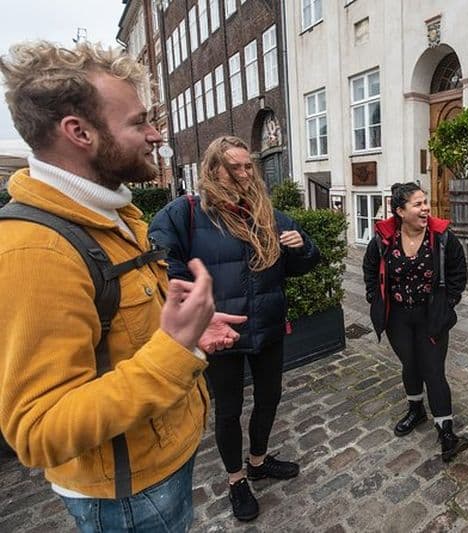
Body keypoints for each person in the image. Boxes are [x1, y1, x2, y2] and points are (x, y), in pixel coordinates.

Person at [0, 41, 242, 532]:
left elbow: (113, 339)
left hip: (157, 463)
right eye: (137, 122)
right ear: (79, 132)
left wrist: (186, 331)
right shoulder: (33, 250)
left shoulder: (109, 212)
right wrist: (176, 347)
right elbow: (38, 430)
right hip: (126, 496)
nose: (155, 135)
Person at [149, 136, 320, 522]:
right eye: (235, 167)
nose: (244, 174)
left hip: (268, 325)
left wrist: (302, 245)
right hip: (220, 333)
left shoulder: (265, 213)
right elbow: (161, 262)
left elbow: (301, 265)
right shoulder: (187, 212)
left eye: (248, 167)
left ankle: (258, 461)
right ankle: (236, 479)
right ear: (213, 169)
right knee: (228, 410)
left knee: (269, 397)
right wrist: (197, 311)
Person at [362, 182, 468, 462]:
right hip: (397, 316)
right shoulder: (383, 238)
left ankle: (446, 431)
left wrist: (448, 303)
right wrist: (374, 295)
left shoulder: (443, 237)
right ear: (400, 210)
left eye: (426, 203)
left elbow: (459, 271)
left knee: (433, 370)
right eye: (418, 204)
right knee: (410, 364)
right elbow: (370, 267)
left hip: (431, 316)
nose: (425, 209)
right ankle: (416, 410)